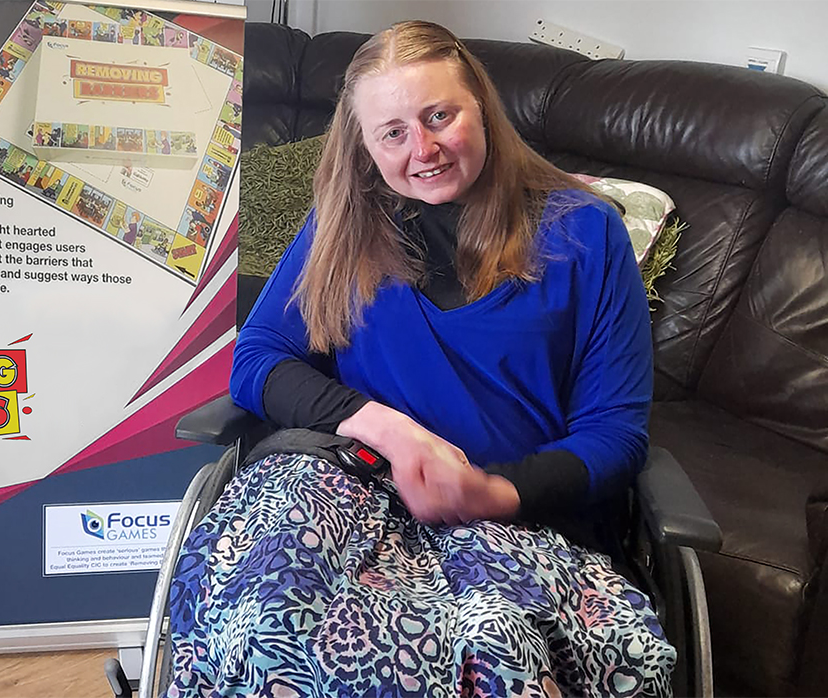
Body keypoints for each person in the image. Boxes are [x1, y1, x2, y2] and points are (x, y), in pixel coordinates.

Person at [164, 20, 675, 697]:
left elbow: (616, 435)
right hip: (351, 488)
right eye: (393, 132)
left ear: (482, 109)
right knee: (266, 617)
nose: (423, 149)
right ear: (366, 145)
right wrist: (384, 426)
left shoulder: (585, 232)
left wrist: (494, 492)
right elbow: (258, 361)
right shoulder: (343, 223)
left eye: (440, 116)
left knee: (496, 653)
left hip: (518, 521)